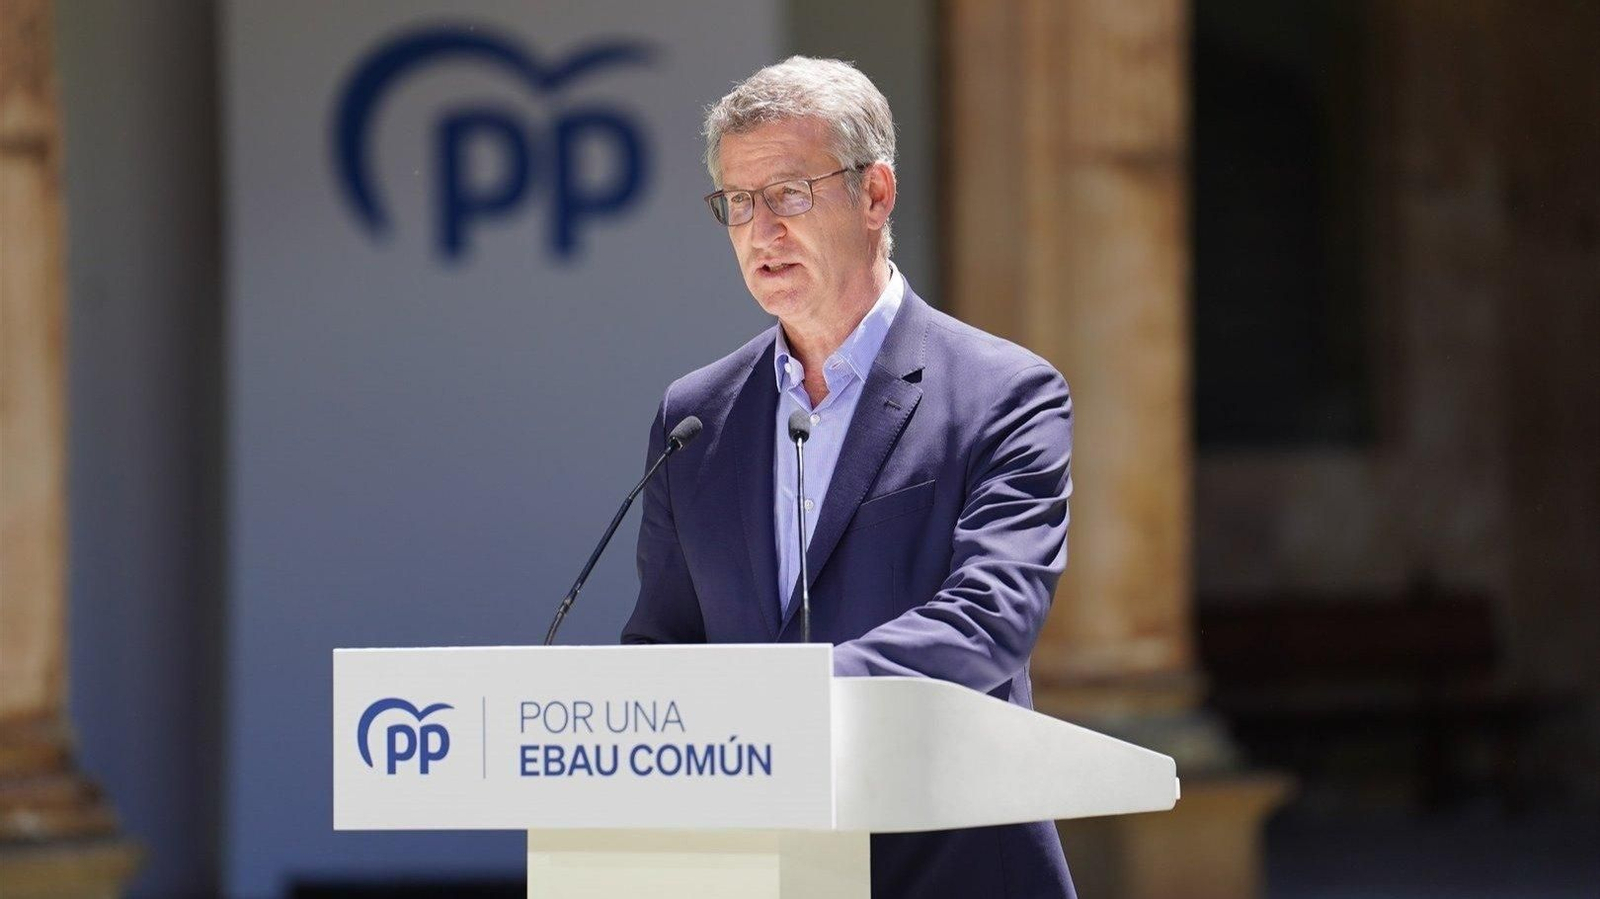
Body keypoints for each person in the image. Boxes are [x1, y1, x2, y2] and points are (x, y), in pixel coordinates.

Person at [622, 56, 1075, 899]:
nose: (762, 231)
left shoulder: (1002, 392)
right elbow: (664, 642)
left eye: (791, 193)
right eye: (739, 203)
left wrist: (789, 705)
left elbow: (991, 619)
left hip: (954, 863)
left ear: (876, 195)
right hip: (759, 871)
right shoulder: (695, 417)